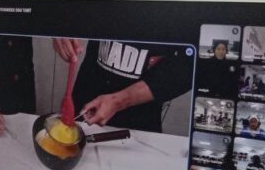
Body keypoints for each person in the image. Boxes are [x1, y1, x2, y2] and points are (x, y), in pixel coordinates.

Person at [53, 38, 193, 133]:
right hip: (86, 97)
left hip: (139, 122)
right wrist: (61, 24)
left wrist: (120, 100)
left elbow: (188, 69)